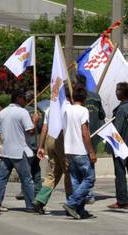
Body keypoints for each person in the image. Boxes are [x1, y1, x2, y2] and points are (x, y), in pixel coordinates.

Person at [0, 89, 36, 212]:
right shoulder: (23, 112)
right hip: (20, 151)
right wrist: (34, 122)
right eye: (24, 98)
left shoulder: (2, 113)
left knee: (1, 179)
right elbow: (30, 130)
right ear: (19, 99)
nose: (25, 100)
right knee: (26, 179)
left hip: (5, 151)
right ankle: (31, 205)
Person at [33, 87, 72, 215]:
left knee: (52, 173)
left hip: (50, 138)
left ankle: (40, 200)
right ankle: (72, 204)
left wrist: (41, 146)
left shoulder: (51, 108)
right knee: (69, 172)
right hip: (62, 139)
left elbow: (44, 128)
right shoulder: (69, 108)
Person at [62, 86, 97, 220]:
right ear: (84, 98)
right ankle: (71, 204)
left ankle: (80, 210)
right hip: (80, 150)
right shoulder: (83, 110)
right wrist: (91, 151)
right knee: (89, 178)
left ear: (72, 97)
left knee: (76, 180)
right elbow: (85, 132)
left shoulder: (66, 110)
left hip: (69, 149)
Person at [76, 74, 105, 204]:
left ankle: (86, 193)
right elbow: (102, 115)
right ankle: (86, 192)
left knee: (81, 164)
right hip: (95, 133)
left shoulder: (77, 97)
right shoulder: (96, 96)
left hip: (82, 133)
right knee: (90, 162)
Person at [16, 90, 42, 200]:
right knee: (36, 169)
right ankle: (38, 190)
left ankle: (24, 190)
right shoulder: (41, 112)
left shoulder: (24, 112)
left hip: (28, 144)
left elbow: (27, 129)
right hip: (38, 142)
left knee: (26, 169)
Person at [107, 82, 128, 209]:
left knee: (120, 173)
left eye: (117, 90)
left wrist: (110, 146)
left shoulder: (121, 109)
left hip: (121, 146)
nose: (115, 92)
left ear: (122, 93)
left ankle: (122, 200)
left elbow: (117, 131)